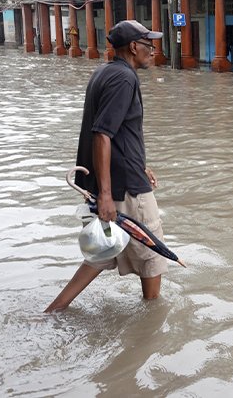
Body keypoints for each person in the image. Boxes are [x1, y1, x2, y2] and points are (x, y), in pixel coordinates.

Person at [45, 20, 167, 313]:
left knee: (102, 253)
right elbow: (102, 134)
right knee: (152, 253)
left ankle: (53, 311)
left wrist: (140, 165)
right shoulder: (124, 79)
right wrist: (106, 195)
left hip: (122, 177)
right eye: (149, 46)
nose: (153, 51)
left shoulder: (104, 72)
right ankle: (152, 323)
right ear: (134, 47)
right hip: (126, 189)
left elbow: (117, 133)